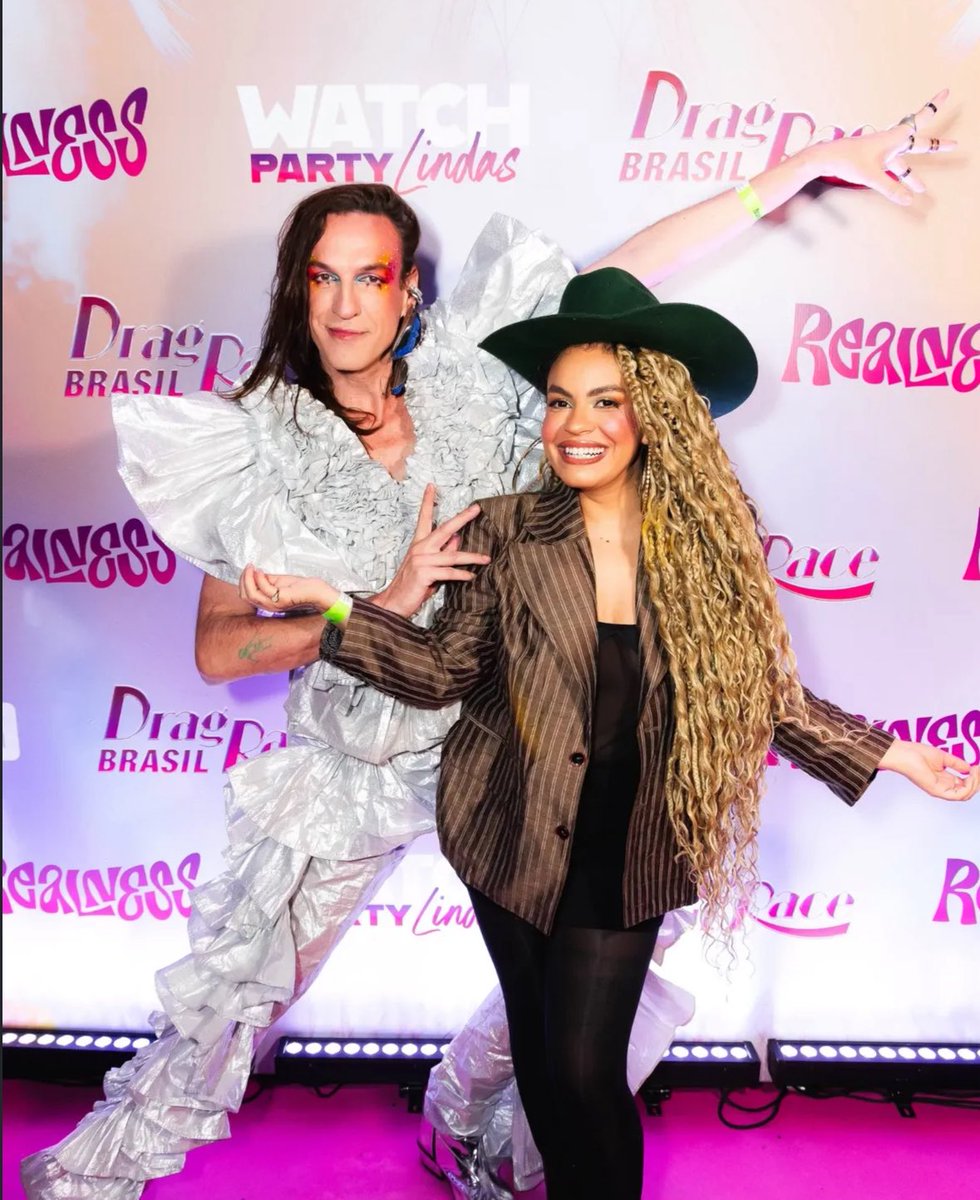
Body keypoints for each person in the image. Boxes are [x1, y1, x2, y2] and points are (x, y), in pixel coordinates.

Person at [21, 92, 957, 1200]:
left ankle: (463, 1120)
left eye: (371, 276)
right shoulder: (251, 442)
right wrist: (375, 600)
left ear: (408, 289)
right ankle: (90, 1181)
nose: (346, 303)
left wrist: (801, 169)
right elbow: (221, 651)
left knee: (590, 976)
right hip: (359, 760)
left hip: (513, 741)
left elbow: (627, 275)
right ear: (296, 290)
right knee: (237, 993)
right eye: (322, 277)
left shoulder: (480, 374)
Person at [241, 267, 979, 1200]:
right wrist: (336, 608)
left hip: (630, 848)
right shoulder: (504, 531)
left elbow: (762, 699)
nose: (573, 424)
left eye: (604, 400)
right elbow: (441, 673)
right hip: (509, 839)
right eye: (558, 400)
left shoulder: (706, 553)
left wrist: (894, 754)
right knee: (544, 1063)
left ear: (653, 415)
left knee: (588, 1074)